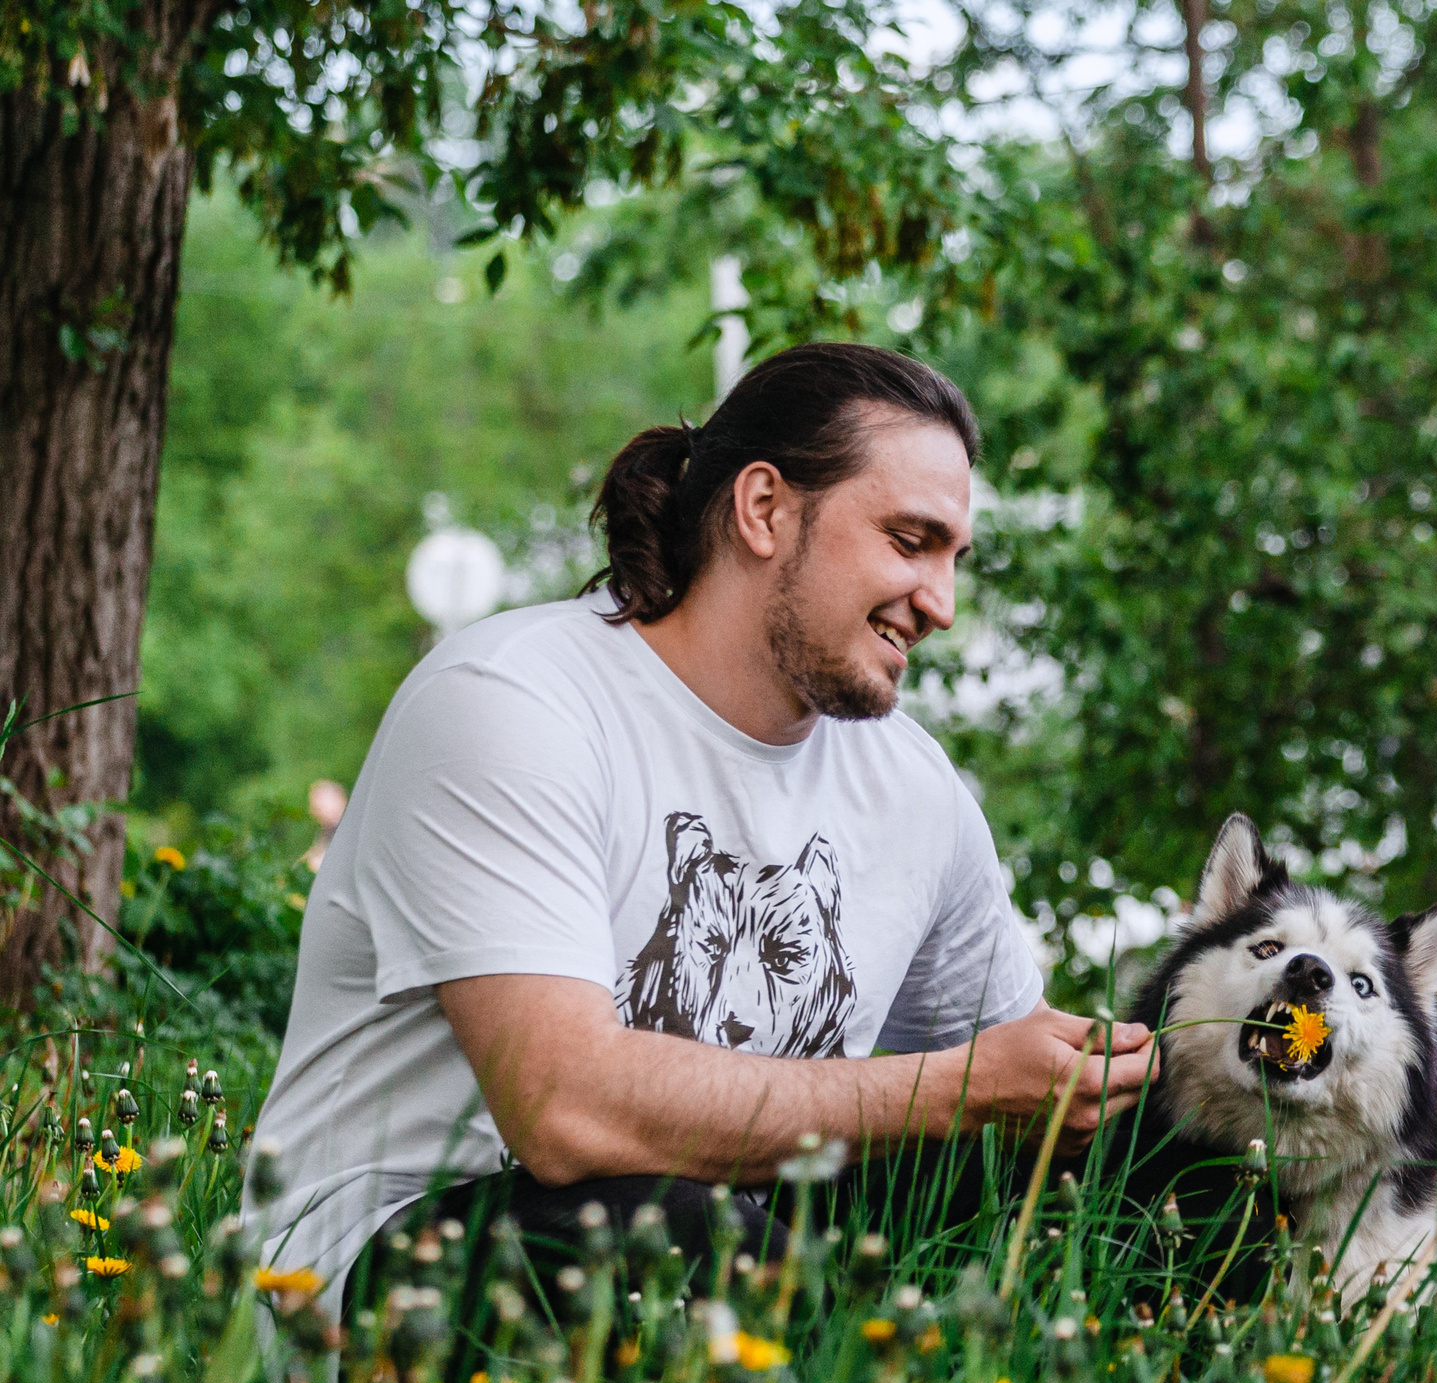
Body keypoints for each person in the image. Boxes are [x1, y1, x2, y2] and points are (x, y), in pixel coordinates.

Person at [249, 343, 1153, 1324]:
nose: (939, 604)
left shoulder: (914, 789)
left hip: (733, 1282)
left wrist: (1134, 1083)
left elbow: (1005, 1079)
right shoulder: (515, 700)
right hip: (388, 1284)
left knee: (1133, 1190)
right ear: (764, 509)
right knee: (671, 1228)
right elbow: (564, 1108)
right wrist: (957, 1092)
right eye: (908, 541)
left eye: (952, 560)